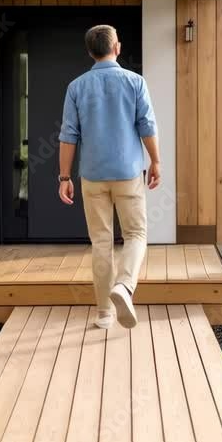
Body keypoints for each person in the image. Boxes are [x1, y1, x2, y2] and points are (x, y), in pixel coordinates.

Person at [58, 24, 161, 329]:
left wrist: (64, 177)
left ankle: (104, 314)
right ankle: (124, 286)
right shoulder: (135, 82)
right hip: (128, 174)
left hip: (92, 176)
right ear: (117, 47)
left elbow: (68, 135)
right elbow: (147, 126)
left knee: (101, 242)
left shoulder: (76, 87)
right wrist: (156, 161)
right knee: (136, 235)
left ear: (91, 52)